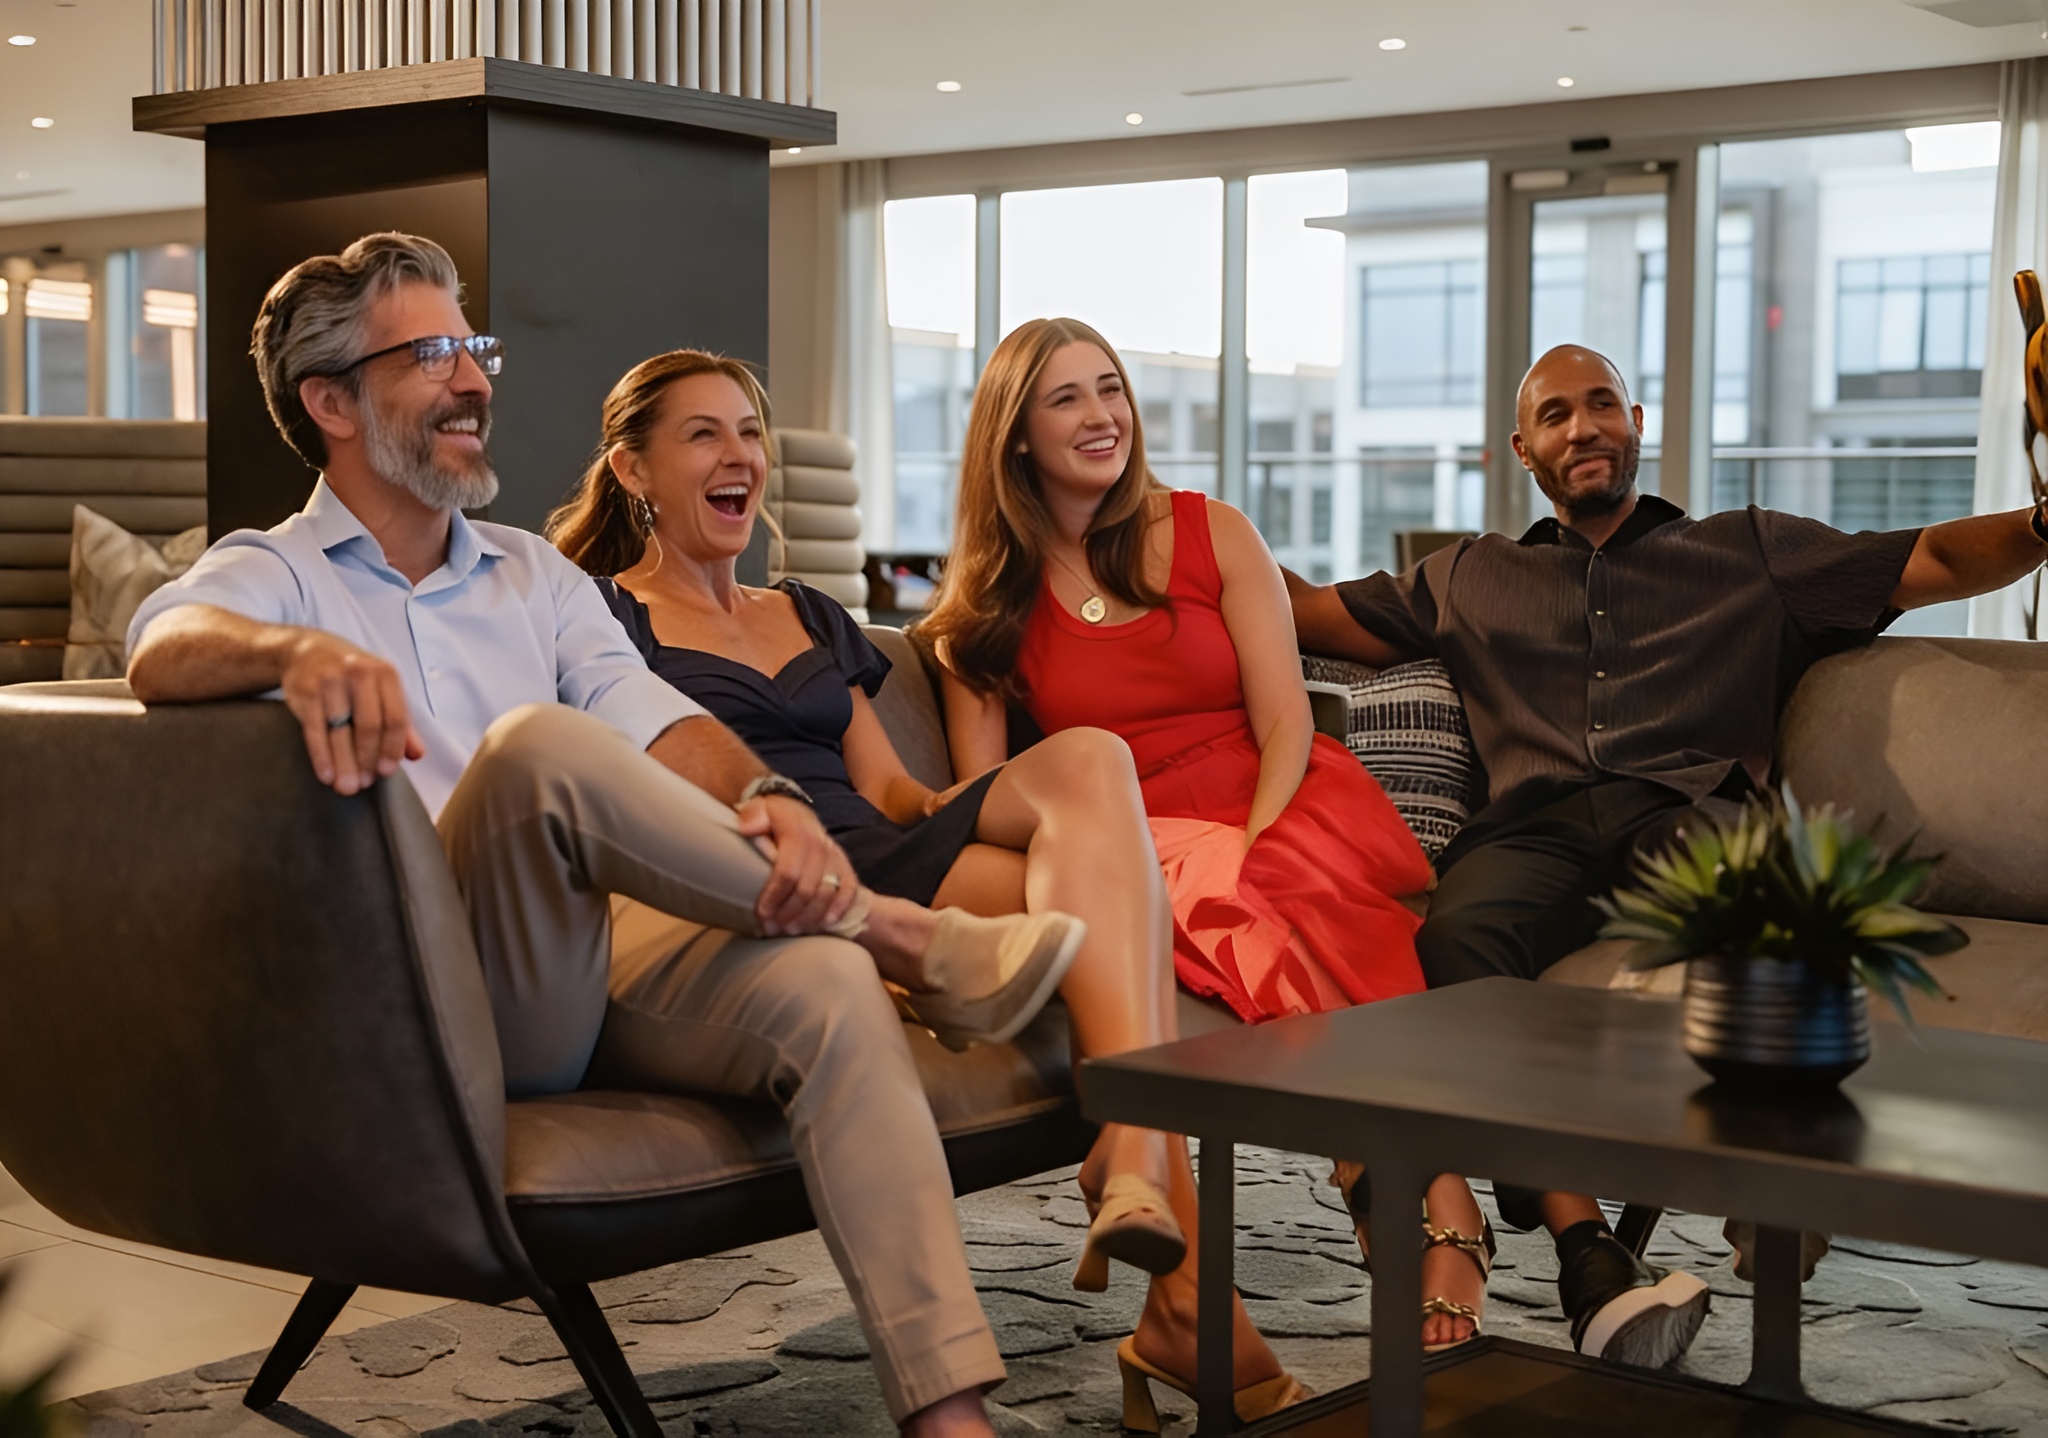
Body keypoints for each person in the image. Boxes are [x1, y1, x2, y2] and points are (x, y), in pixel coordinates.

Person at [121, 232, 1086, 1438]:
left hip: (579, 973)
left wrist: (772, 797)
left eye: (474, 348)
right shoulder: (275, 572)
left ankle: (947, 1414)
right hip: (423, 1007)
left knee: (827, 988)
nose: (474, 380)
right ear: (332, 403)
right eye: (431, 355)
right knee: (534, 746)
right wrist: (294, 651)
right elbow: (159, 647)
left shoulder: (533, 574)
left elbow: (658, 720)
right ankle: (898, 933)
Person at [543, 347, 1307, 1432]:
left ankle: (1136, 1159)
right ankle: (1187, 1298)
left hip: (882, 851)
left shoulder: (807, 610)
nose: (739, 456)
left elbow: (893, 792)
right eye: (703, 435)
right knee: (1106, 903)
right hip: (761, 872)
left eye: (750, 432)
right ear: (633, 470)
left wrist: (990, 806)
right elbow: (618, 794)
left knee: (1091, 767)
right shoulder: (602, 623)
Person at [1286, 341, 2048, 1370]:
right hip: (1534, 826)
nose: (1583, 427)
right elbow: (1300, 611)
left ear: (1636, 422)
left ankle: (1773, 1195)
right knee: (1453, 942)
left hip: (1693, 819)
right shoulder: (1467, 576)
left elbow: (1937, 562)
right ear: (1523, 449)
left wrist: (2042, 520)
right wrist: (1166, 533)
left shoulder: (1749, 551)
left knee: (1776, 914)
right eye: (1555, 415)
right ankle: (1585, 1250)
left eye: (1601, 404)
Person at [916, 316, 1496, 1362]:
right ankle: (1427, 1205)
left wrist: (1257, 838)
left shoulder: (1212, 530)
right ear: (1013, 434)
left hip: (1280, 793)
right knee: (1240, 902)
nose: (1102, 415)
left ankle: (1405, 1193)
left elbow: (1284, 719)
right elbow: (986, 797)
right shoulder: (982, 608)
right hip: (1133, 833)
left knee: (1283, 892)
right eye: (1065, 398)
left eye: (1110, 388)